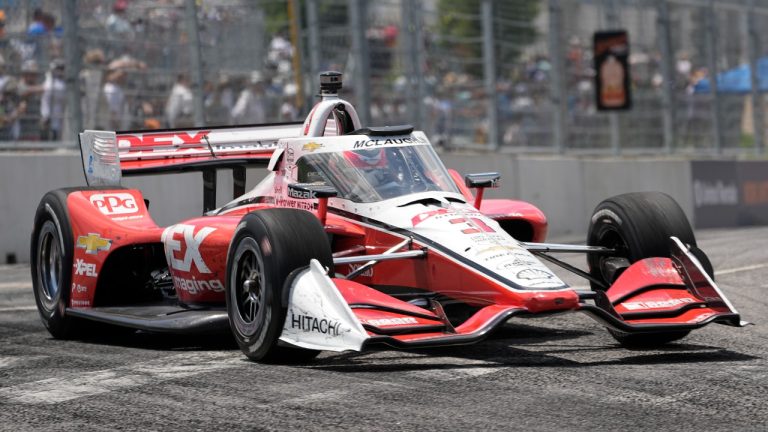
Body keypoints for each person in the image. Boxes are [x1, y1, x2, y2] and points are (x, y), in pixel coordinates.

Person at [40, 59, 66, 140]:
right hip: (46, 111)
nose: (60, 71)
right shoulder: (49, 79)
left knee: (55, 131)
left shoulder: (61, 82)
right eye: (58, 69)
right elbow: (47, 89)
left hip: (57, 111)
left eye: (61, 69)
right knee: (45, 130)